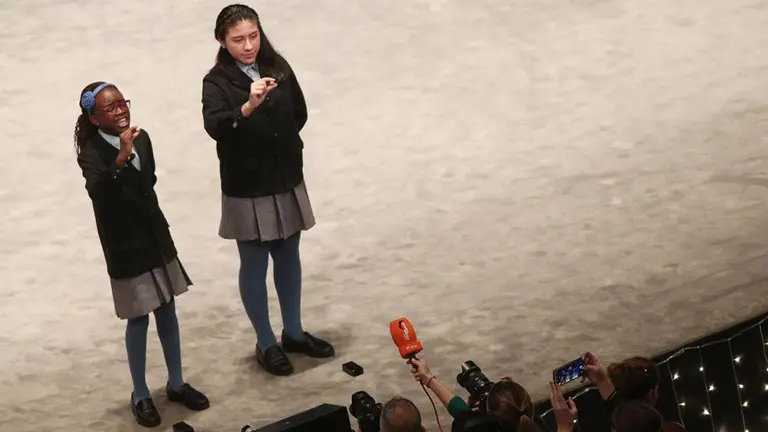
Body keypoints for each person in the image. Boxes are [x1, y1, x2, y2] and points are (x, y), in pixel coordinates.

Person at [201, 3, 334, 376]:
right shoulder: (216, 83)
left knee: (289, 255)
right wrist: (247, 107)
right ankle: (265, 342)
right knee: (255, 263)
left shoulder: (278, 66)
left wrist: (284, 147)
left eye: (253, 36)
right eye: (238, 39)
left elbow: (299, 114)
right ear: (222, 42)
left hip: (285, 176)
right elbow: (217, 127)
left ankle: (293, 332)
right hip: (248, 186)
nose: (248, 45)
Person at [74, 82, 209, 427]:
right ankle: (140, 393)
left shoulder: (142, 138)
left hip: (155, 238)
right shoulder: (90, 154)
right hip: (125, 247)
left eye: (123, 103)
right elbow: (100, 194)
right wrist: (120, 157)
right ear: (93, 117)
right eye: (111, 108)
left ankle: (177, 382)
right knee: (139, 319)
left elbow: (149, 179)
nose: (121, 111)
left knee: (168, 310)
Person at [409, 358, 539, 431]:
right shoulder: (536, 424)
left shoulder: (468, 427)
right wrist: (429, 379)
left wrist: (429, 379)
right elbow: (461, 410)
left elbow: (464, 415)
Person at [581, 352, 684, 431]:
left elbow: (615, 403)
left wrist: (601, 380)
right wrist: (601, 380)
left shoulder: (620, 419)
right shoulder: (673, 429)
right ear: (651, 393)